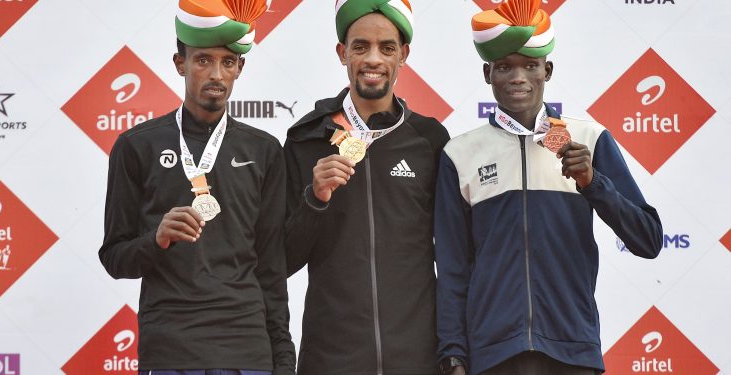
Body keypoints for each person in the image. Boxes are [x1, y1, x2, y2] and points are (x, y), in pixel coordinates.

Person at [434, 0, 663, 374]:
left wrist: (594, 183)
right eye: (505, 67)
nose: (518, 77)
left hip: (572, 350)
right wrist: (453, 353)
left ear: (548, 70)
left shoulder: (589, 138)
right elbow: (453, 269)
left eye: (530, 65)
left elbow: (648, 240)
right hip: (493, 355)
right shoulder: (459, 154)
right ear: (487, 72)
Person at [98, 0, 295, 374]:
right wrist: (156, 239)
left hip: (247, 348)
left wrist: (284, 359)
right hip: (172, 349)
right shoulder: (136, 146)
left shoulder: (265, 150)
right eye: (203, 60)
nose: (217, 74)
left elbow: (271, 267)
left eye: (227, 62)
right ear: (180, 64)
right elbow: (114, 257)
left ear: (240, 67)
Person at [284, 1, 450, 374]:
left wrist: (454, 349)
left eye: (386, 48)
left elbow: (455, 254)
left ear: (403, 55)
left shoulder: (431, 140)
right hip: (331, 360)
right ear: (343, 53)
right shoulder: (306, 140)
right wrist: (315, 199)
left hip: (418, 359)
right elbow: (281, 259)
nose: (373, 59)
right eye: (360, 47)